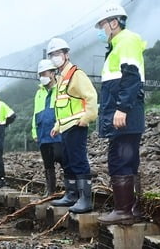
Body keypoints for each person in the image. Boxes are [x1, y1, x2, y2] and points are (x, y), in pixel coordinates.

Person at [94, 3, 145, 225]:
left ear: (114, 23)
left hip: (124, 114)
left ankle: (124, 210)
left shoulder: (126, 40)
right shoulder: (117, 46)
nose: (103, 30)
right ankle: (131, 209)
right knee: (127, 159)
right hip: (121, 113)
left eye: (104, 25)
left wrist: (122, 108)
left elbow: (131, 76)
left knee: (120, 159)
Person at [48, 37, 98, 213]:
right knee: (67, 161)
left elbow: (91, 96)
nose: (55, 57)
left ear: (66, 54)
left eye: (58, 53)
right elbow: (62, 106)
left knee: (78, 161)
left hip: (77, 125)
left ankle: (85, 199)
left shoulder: (76, 74)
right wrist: (57, 125)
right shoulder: (61, 78)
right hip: (65, 127)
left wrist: (88, 117)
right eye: (52, 54)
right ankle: (71, 195)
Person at [32, 59, 63, 196]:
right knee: (48, 164)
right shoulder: (39, 93)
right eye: (40, 74)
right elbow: (35, 114)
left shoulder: (61, 88)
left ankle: (71, 190)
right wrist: (34, 132)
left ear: (52, 73)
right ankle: (50, 190)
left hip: (57, 132)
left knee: (62, 158)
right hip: (43, 133)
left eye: (44, 73)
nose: (42, 77)